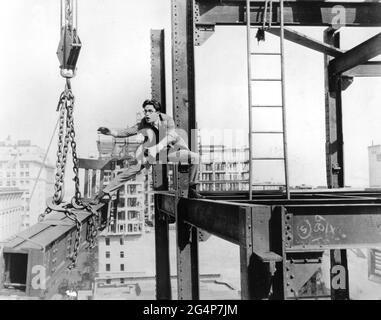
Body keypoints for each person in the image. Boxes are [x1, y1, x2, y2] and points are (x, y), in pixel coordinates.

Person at [92, 99, 203, 203]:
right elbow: (127, 132)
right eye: (145, 111)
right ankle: (104, 193)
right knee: (131, 170)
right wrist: (111, 132)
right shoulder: (144, 123)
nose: (147, 114)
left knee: (195, 157)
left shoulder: (167, 120)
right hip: (151, 152)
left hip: (170, 150)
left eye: (150, 111)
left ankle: (192, 190)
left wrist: (158, 147)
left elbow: (171, 136)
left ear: (157, 112)